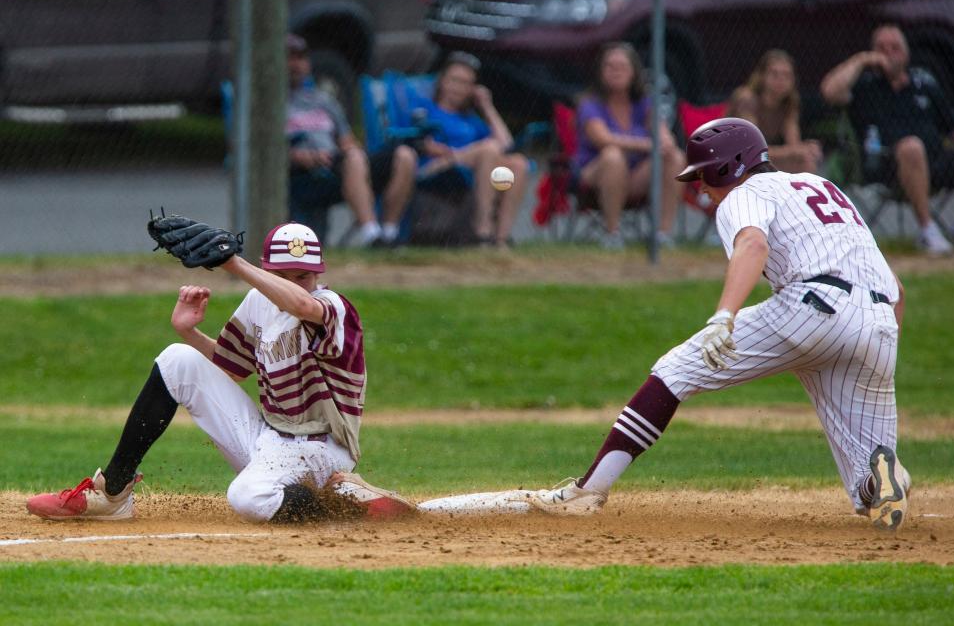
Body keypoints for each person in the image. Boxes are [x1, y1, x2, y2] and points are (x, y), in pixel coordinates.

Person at [524, 118, 911, 531]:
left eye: (704, 175)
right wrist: (875, 351)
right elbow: (897, 289)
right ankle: (885, 478)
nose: (701, 188)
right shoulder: (823, 187)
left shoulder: (744, 193)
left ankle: (587, 492)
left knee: (673, 373)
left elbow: (753, 244)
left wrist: (723, 317)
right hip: (879, 321)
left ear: (731, 167)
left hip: (812, 306)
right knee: (866, 477)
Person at [26, 220, 415, 523]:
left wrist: (233, 263)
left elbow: (303, 306)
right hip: (268, 440)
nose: (297, 282)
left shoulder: (332, 306)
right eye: (284, 274)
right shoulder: (257, 302)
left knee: (248, 498)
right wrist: (188, 332)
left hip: (322, 451)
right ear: (267, 270)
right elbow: (232, 368)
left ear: (318, 274)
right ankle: (111, 494)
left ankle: (340, 499)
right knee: (177, 358)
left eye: (304, 275)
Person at [820, 24, 954, 256]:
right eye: (881, 48)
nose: (889, 53)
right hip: (884, 166)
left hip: (934, 163)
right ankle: (928, 231)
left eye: (895, 47)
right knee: (911, 147)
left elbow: (953, 128)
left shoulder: (924, 84)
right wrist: (862, 60)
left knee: (924, 149)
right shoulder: (864, 86)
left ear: (907, 53)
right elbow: (830, 92)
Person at [286, 34, 417, 247]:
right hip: (303, 174)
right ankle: (371, 235)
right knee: (354, 158)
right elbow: (259, 151)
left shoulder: (323, 100)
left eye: (300, 58)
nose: (295, 64)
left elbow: (346, 139)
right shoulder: (267, 103)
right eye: (289, 58)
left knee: (404, 156)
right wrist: (299, 156)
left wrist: (351, 152)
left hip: (338, 166)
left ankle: (389, 234)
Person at [575, 42, 684, 250]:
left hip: (635, 178)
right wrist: (648, 145)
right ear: (600, 71)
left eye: (622, 67)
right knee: (612, 156)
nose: (616, 72)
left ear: (634, 72)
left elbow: (664, 137)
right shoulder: (590, 104)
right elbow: (603, 138)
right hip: (595, 175)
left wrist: (664, 142)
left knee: (675, 157)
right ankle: (612, 234)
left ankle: (662, 234)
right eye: (610, 66)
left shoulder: (644, 103)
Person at [414, 51, 528, 247]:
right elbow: (422, 144)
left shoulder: (471, 120)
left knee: (518, 164)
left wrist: (487, 106)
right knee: (489, 150)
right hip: (436, 170)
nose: (460, 88)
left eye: (467, 83)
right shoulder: (426, 109)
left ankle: (500, 238)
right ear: (442, 81)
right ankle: (482, 230)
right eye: (456, 80)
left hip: (468, 168)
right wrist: (454, 154)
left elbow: (507, 144)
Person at [728, 49, 822, 174]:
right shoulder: (747, 99)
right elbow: (753, 151)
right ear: (762, 76)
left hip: (761, 160)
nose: (781, 80)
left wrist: (805, 150)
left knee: (805, 161)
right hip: (732, 161)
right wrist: (797, 150)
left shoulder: (790, 103)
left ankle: (802, 194)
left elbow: (793, 146)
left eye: (787, 75)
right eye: (774, 74)